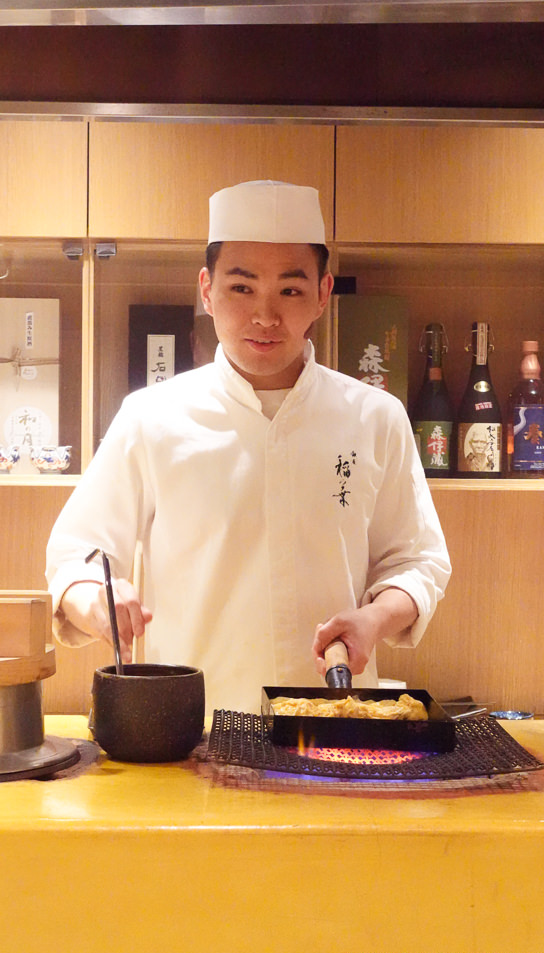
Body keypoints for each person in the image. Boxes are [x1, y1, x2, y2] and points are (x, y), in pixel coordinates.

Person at [46, 179, 451, 713]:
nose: (265, 316)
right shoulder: (151, 417)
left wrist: (374, 619)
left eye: (289, 289)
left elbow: (416, 560)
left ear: (324, 293)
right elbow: (76, 555)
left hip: (333, 732)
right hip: (193, 734)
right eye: (241, 288)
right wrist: (97, 600)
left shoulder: (374, 416)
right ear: (207, 290)